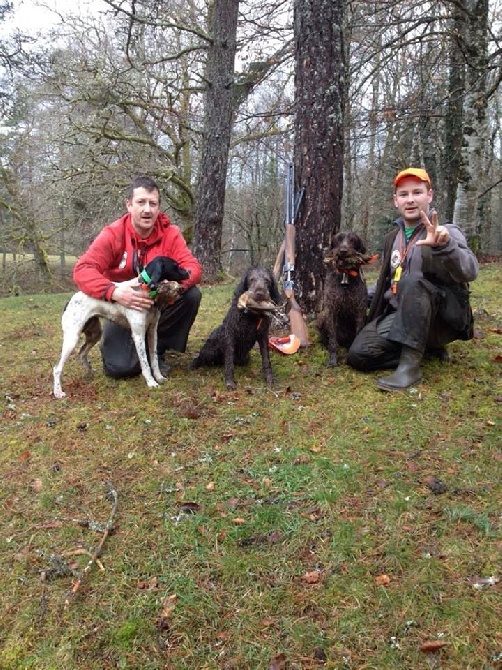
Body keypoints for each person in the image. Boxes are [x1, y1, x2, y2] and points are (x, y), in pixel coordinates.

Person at [346, 167, 478, 391]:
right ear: (395, 201)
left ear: (429, 195)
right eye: (403, 194)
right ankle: (423, 348)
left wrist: (445, 247)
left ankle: (410, 368)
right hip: (401, 314)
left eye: (417, 192)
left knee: (413, 281)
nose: (410, 200)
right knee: (359, 355)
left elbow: (470, 271)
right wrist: (354, 294)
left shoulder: (446, 232)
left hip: (440, 319)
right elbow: (386, 284)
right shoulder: (392, 239)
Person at [73, 175, 202, 379]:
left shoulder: (171, 234)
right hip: (120, 308)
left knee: (191, 295)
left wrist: (172, 287)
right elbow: (83, 270)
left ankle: (158, 350)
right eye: (141, 202)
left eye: (153, 203)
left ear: (159, 207)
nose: (147, 209)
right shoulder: (112, 234)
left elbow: (192, 267)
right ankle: (129, 348)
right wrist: (114, 292)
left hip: (155, 304)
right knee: (120, 369)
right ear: (129, 205)